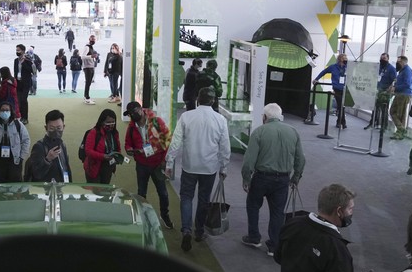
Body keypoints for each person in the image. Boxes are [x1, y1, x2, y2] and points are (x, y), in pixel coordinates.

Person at [165, 88, 230, 252]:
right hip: (209, 168)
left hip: (189, 166)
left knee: (186, 197)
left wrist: (169, 162)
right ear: (213, 101)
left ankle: (186, 230)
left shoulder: (187, 116)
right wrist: (224, 166)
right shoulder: (220, 119)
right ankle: (199, 231)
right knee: (203, 200)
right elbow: (225, 146)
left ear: (197, 99)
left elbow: (176, 140)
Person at [241, 103, 306, 256]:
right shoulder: (293, 132)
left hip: (261, 178)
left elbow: (249, 161)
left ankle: (254, 237)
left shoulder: (259, 132)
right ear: (280, 116)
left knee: (253, 206)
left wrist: (246, 179)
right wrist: (296, 177)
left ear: (265, 117)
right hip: (283, 180)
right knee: (278, 213)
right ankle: (274, 245)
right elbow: (301, 159)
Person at [123, 101, 173, 229]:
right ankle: (142, 216)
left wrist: (160, 157)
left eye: (134, 112)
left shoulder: (156, 122)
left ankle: (164, 215)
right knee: (141, 193)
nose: (132, 116)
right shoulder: (131, 127)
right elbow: (127, 143)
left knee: (163, 193)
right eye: (130, 114)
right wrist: (129, 149)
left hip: (157, 164)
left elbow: (167, 140)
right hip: (141, 164)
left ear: (141, 109)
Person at [0, 100, 30, 183]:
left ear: (11, 112)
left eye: (7, 110)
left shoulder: (18, 125)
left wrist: (22, 157)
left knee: (15, 185)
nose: (5, 112)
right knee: (0, 184)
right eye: (2, 110)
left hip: (14, 160)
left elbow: (26, 140)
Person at [26, 109, 71, 183]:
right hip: (45, 190)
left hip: (61, 189)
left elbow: (66, 168)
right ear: (46, 128)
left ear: (64, 127)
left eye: (59, 128)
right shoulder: (39, 147)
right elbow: (36, 173)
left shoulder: (63, 145)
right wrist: (47, 159)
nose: (56, 132)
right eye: (52, 128)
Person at [83, 109, 123, 184]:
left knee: (105, 190)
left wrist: (118, 156)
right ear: (102, 122)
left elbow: (117, 146)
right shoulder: (94, 132)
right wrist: (103, 156)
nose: (111, 124)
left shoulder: (114, 133)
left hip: (108, 166)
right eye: (108, 122)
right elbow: (88, 151)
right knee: (94, 191)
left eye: (113, 122)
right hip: (94, 167)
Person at [313, 53, 348, 128]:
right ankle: (342, 122)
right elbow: (324, 72)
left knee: (342, 106)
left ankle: (340, 122)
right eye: (343, 57)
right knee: (340, 105)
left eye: (346, 58)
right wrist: (316, 79)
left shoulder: (347, 67)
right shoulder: (333, 67)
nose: (345, 59)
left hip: (345, 89)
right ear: (339, 59)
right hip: (337, 88)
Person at [365, 53, 396, 130]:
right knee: (375, 107)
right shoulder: (378, 67)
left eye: (384, 58)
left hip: (385, 92)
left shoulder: (391, 69)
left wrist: (390, 90)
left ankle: (384, 126)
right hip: (376, 90)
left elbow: (394, 80)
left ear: (388, 59)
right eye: (381, 58)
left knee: (384, 109)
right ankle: (372, 123)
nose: (382, 60)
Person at [390, 55, 412, 140]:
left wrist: (396, 88)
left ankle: (401, 130)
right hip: (400, 94)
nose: (397, 63)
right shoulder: (402, 71)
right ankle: (400, 132)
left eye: (399, 62)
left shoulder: (407, 71)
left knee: (397, 113)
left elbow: (407, 84)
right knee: (398, 113)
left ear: (403, 62)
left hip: (404, 94)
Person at [14, 44, 34, 124]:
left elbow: (31, 70)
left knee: (23, 100)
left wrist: (23, 63)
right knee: (19, 100)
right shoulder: (16, 60)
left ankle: (25, 118)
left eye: (18, 50)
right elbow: (15, 71)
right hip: (18, 83)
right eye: (16, 50)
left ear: (23, 51)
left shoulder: (28, 60)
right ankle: (21, 116)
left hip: (26, 83)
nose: (17, 52)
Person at [82, 33, 99, 105]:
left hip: (91, 67)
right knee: (88, 82)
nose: (93, 41)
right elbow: (82, 56)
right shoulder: (87, 47)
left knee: (89, 83)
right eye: (92, 39)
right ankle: (87, 98)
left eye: (94, 39)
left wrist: (94, 58)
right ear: (89, 39)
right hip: (87, 67)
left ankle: (87, 97)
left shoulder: (91, 47)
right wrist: (91, 56)